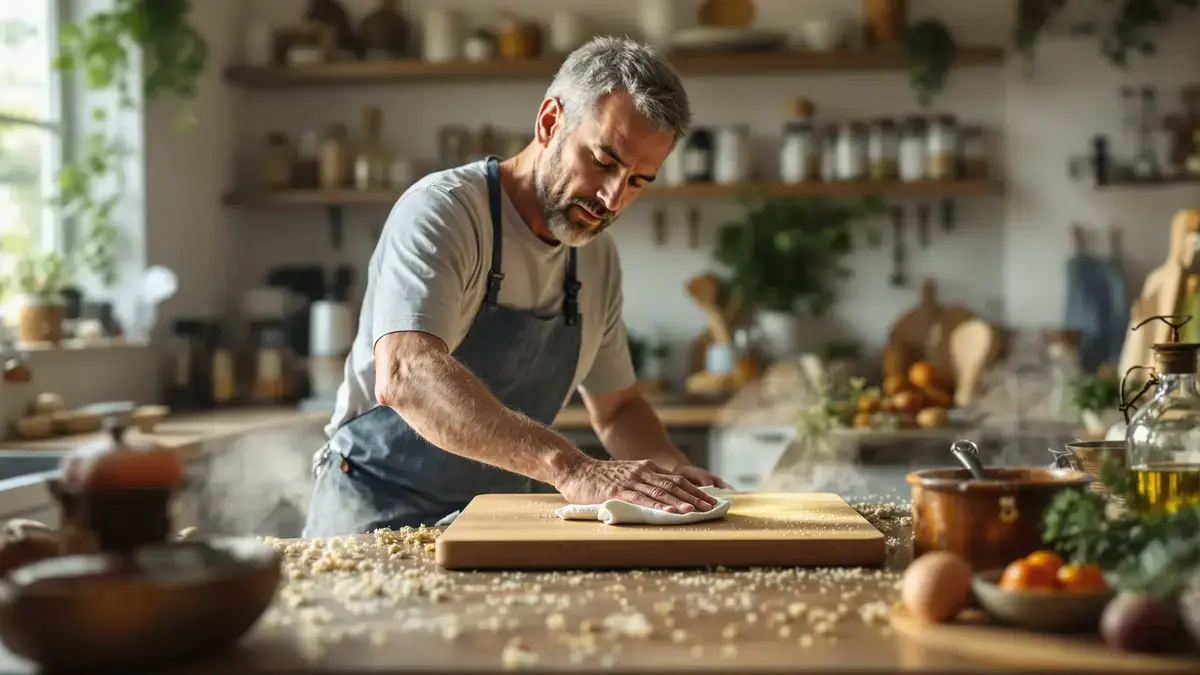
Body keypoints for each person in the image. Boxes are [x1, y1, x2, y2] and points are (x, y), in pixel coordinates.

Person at [303, 36, 730, 537]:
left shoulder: (596, 258)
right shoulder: (445, 211)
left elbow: (618, 408)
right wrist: (574, 469)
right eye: (604, 161)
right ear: (550, 122)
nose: (613, 198)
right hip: (373, 514)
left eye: (638, 181)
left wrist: (670, 471)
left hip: (492, 521)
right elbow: (407, 374)